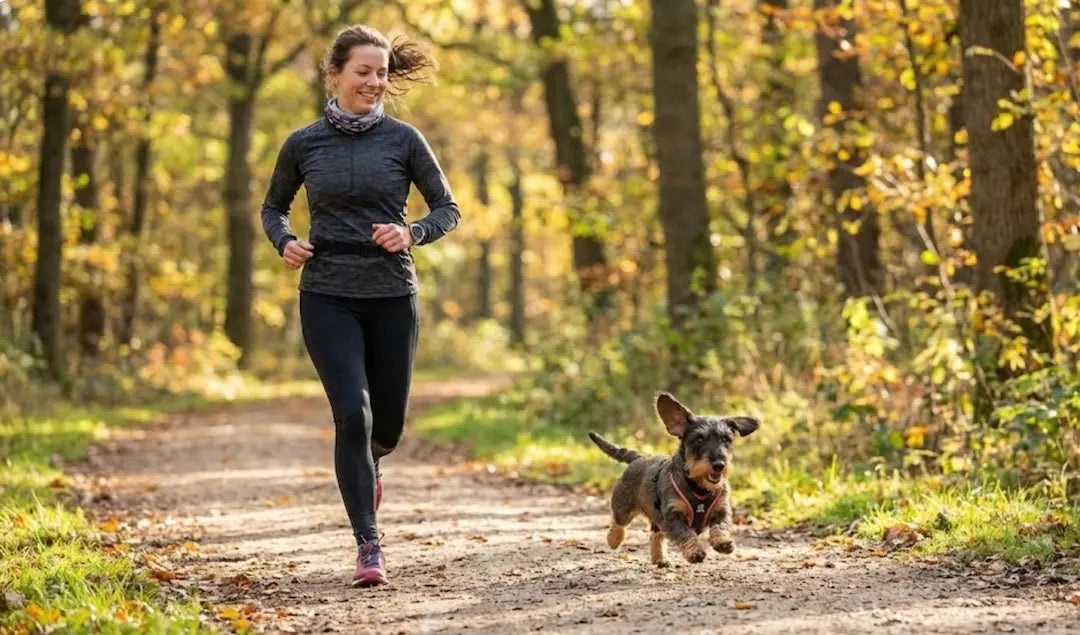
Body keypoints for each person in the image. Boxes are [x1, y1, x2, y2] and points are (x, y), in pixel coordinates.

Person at [259, 24, 460, 587]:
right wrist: (284, 240)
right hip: (327, 293)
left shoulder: (405, 140)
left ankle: (371, 463)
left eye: (382, 73)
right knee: (352, 413)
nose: (374, 82)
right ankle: (369, 545)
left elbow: (447, 208)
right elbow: (273, 208)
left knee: (385, 427)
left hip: (392, 293)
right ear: (335, 75)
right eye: (363, 72)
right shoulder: (303, 144)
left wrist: (413, 232)